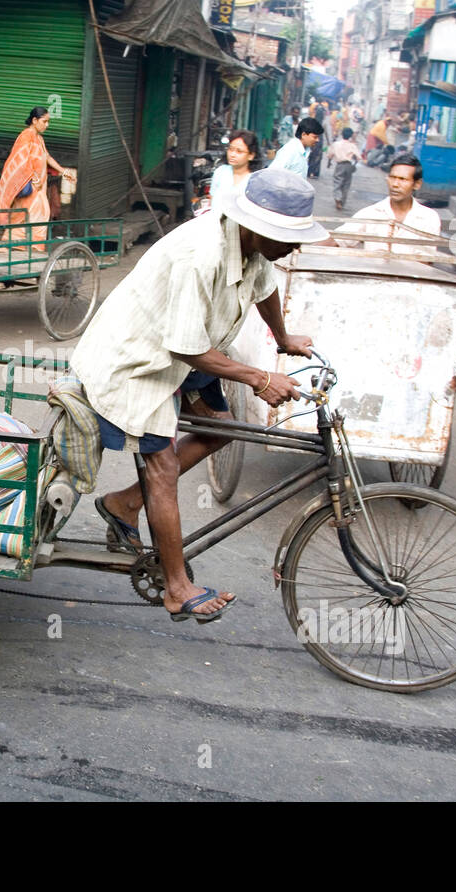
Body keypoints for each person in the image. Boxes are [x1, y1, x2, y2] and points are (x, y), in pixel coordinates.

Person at [70, 168, 320, 622]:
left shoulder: (253, 248)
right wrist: (259, 378)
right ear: (256, 226)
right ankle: (176, 588)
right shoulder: (199, 255)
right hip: (137, 362)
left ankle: (124, 503)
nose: (294, 247)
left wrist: (282, 338)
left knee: (222, 430)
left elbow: (265, 287)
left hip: (187, 357)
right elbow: (184, 346)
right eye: (287, 237)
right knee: (162, 468)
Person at [331, 154, 442, 255]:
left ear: (417, 184)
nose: (395, 184)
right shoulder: (371, 213)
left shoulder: (429, 217)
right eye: (392, 178)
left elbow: (427, 261)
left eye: (403, 179)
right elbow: (338, 239)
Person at [0, 107, 74, 250]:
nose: (47, 125)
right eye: (44, 121)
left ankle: (21, 248)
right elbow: (19, 161)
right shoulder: (26, 136)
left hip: (39, 188)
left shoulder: (39, 138)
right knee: (31, 217)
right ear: (34, 120)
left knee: (32, 217)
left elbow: (47, 157)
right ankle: (25, 248)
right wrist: (33, 177)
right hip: (31, 188)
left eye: (48, 122)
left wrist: (63, 171)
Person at [209, 129, 259, 201]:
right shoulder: (220, 172)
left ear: (251, 155)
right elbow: (212, 199)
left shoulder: (254, 180)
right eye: (231, 149)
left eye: (239, 151)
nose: (232, 154)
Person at [325, 126, 362, 211]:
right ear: (351, 135)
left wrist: (329, 163)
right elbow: (358, 157)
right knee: (346, 184)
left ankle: (337, 199)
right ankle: (342, 201)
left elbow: (330, 155)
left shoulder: (336, 144)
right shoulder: (352, 145)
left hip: (340, 165)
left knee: (337, 182)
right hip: (349, 165)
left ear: (342, 134)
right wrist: (354, 164)